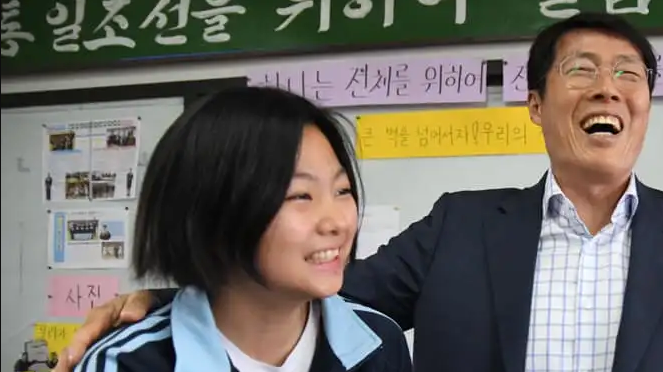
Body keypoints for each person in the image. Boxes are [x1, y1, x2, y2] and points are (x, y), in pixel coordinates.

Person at [55, 12, 663, 372]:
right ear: (535, 104)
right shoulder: (461, 224)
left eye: (629, 73)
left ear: (647, 103)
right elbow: (317, 290)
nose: (608, 87)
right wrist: (172, 303)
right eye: (583, 69)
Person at [68, 87, 411, 372]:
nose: (336, 222)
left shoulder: (378, 344)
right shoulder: (126, 363)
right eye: (300, 195)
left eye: (343, 191)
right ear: (210, 214)